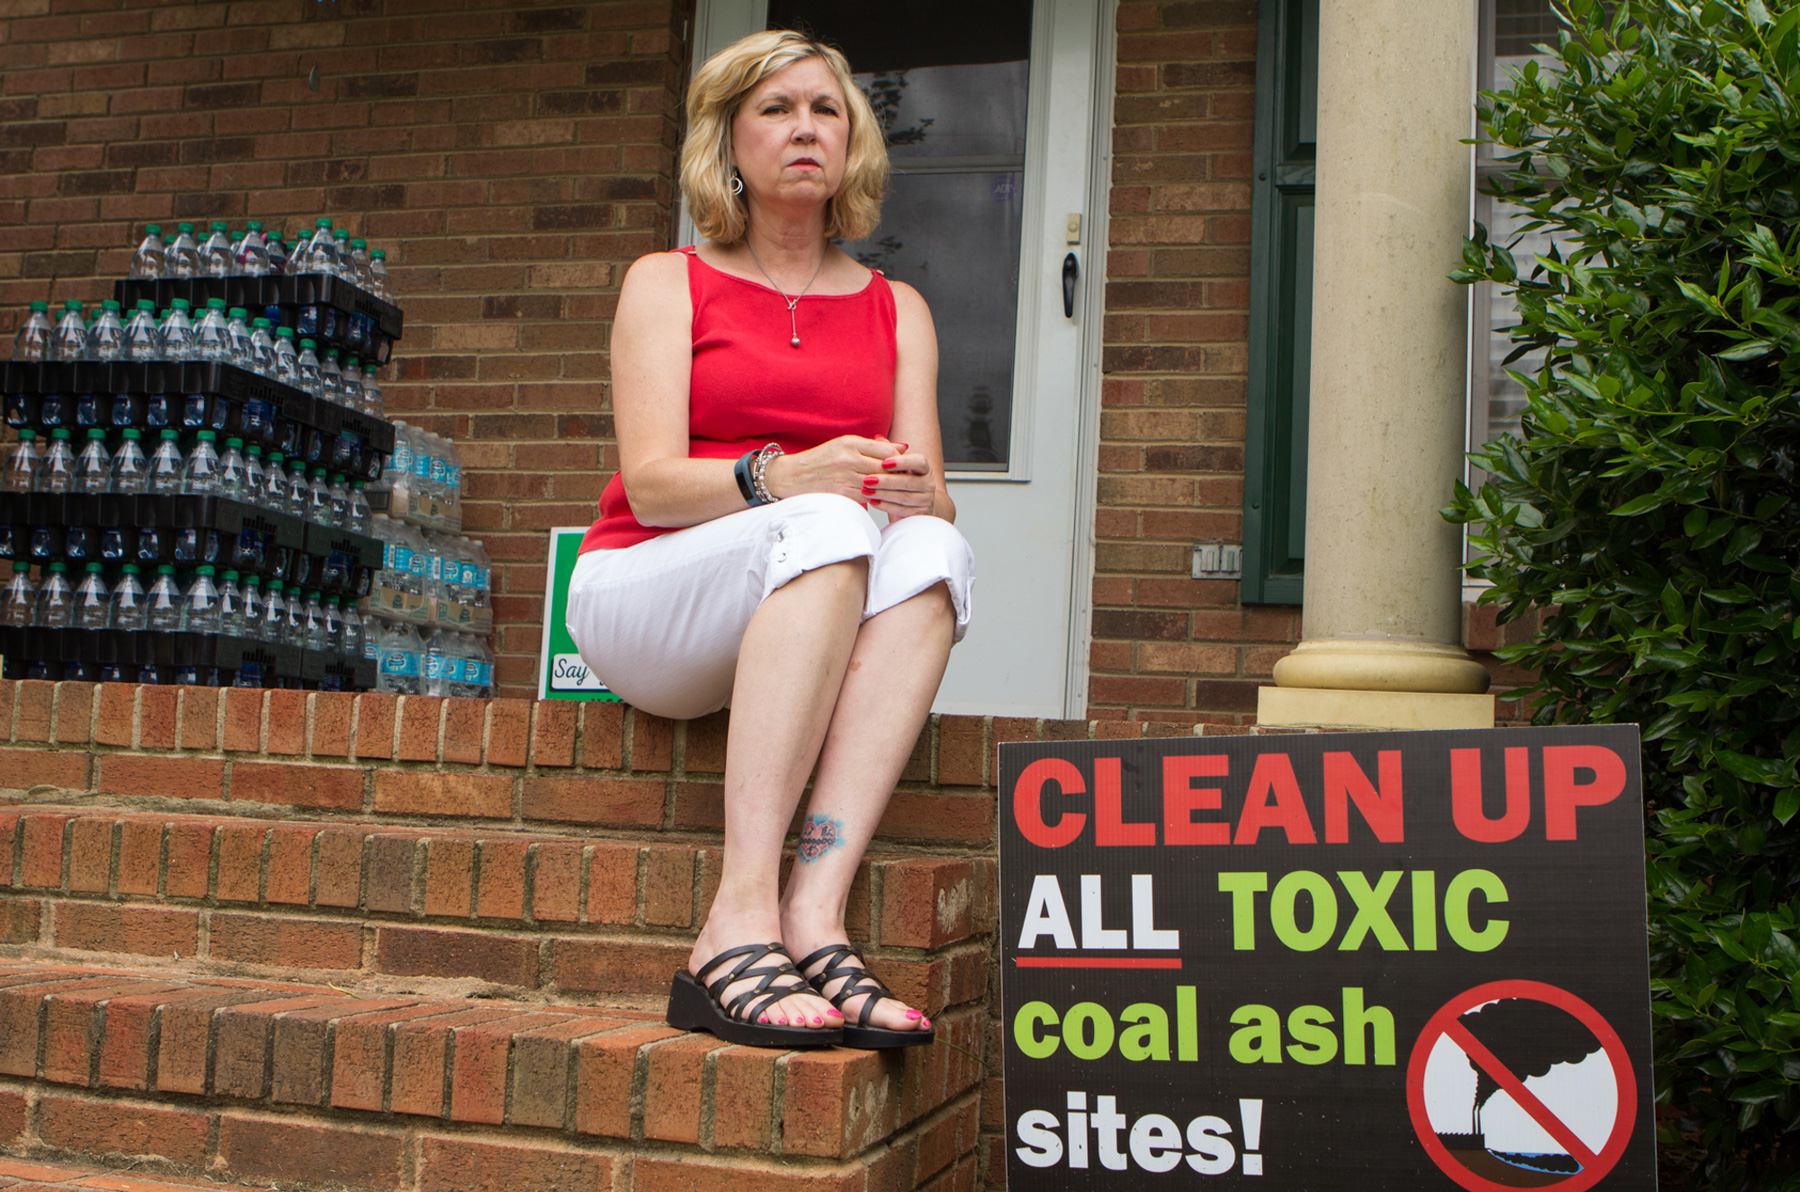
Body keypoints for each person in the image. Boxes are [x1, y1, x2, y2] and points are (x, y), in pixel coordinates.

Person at [565, 29, 974, 1050]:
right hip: (646, 595)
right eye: (776, 109)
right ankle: (732, 919)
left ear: (854, 143)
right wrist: (781, 476)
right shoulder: (667, 282)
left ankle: (812, 914)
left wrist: (922, 491)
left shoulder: (898, 308)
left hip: (798, 591)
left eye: (826, 110)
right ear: (730, 144)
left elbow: (927, 502)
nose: (804, 129)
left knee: (935, 556)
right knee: (835, 519)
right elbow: (652, 487)